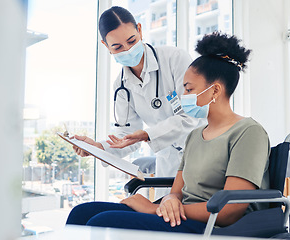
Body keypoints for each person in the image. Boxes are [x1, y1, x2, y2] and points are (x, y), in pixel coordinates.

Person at [66, 32, 271, 234]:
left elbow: (230, 210)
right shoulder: (195, 136)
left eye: (189, 90)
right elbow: (176, 193)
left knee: (103, 222)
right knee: (82, 212)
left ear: (215, 91)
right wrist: (169, 200)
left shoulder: (248, 132)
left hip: (215, 226)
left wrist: (153, 209)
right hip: (181, 216)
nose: (184, 97)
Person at [73, 6, 204, 196]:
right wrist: (98, 148)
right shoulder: (121, 86)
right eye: (117, 47)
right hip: (168, 164)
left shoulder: (175, 59)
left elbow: (191, 116)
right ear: (105, 46)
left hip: (200, 154)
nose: (127, 50)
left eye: (132, 41)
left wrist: (147, 134)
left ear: (140, 30)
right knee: (167, 217)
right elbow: (127, 135)